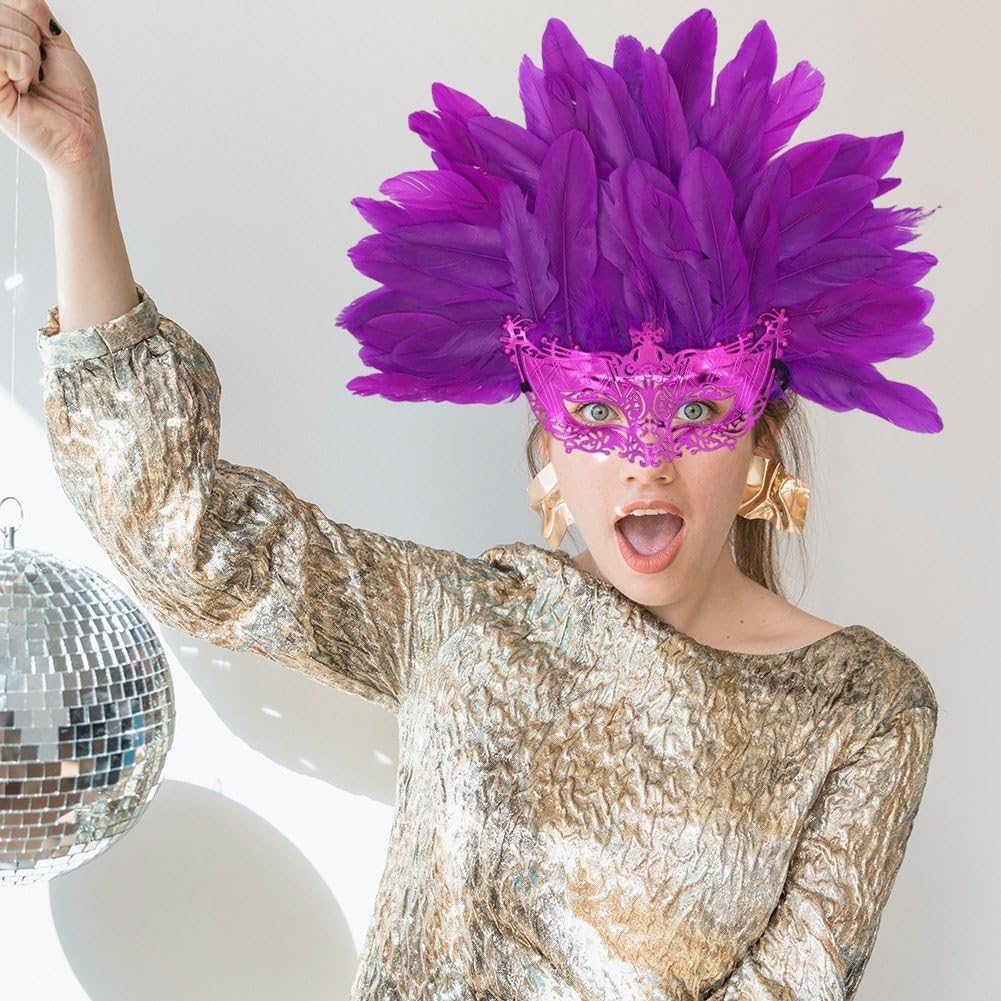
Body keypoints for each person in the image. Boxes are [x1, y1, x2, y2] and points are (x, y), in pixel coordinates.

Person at [3, 5, 940, 998]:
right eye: (595, 409)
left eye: (697, 406)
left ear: (761, 433)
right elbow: (185, 534)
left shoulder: (864, 710)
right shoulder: (471, 624)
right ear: (547, 444)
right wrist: (78, 165)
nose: (647, 461)